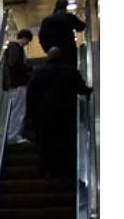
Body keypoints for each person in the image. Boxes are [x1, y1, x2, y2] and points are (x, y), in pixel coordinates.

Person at [26, 47, 92, 179]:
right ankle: (66, 172)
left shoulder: (38, 72)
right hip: (65, 115)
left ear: (48, 56)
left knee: (46, 145)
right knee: (65, 144)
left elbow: (30, 95)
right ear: (60, 56)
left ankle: (47, 171)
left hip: (44, 116)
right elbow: (82, 89)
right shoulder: (70, 70)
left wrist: (31, 115)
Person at [2, 29, 34, 144]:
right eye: (28, 41)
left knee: (14, 110)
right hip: (17, 84)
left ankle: (11, 135)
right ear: (25, 38)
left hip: (12, 85)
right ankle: (13, 136)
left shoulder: (10, 48)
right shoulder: (16, 48)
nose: (27, 44)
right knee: (18, 111)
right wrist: (26, 69)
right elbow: (14, 64)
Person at [39, 0, 86, 68]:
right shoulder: (69, 17)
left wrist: (48, 49)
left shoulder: (47, 20)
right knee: (70, 72)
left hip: (53, 51)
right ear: (66, 7)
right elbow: (80, 27)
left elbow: (42, 37)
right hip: (69, 51)